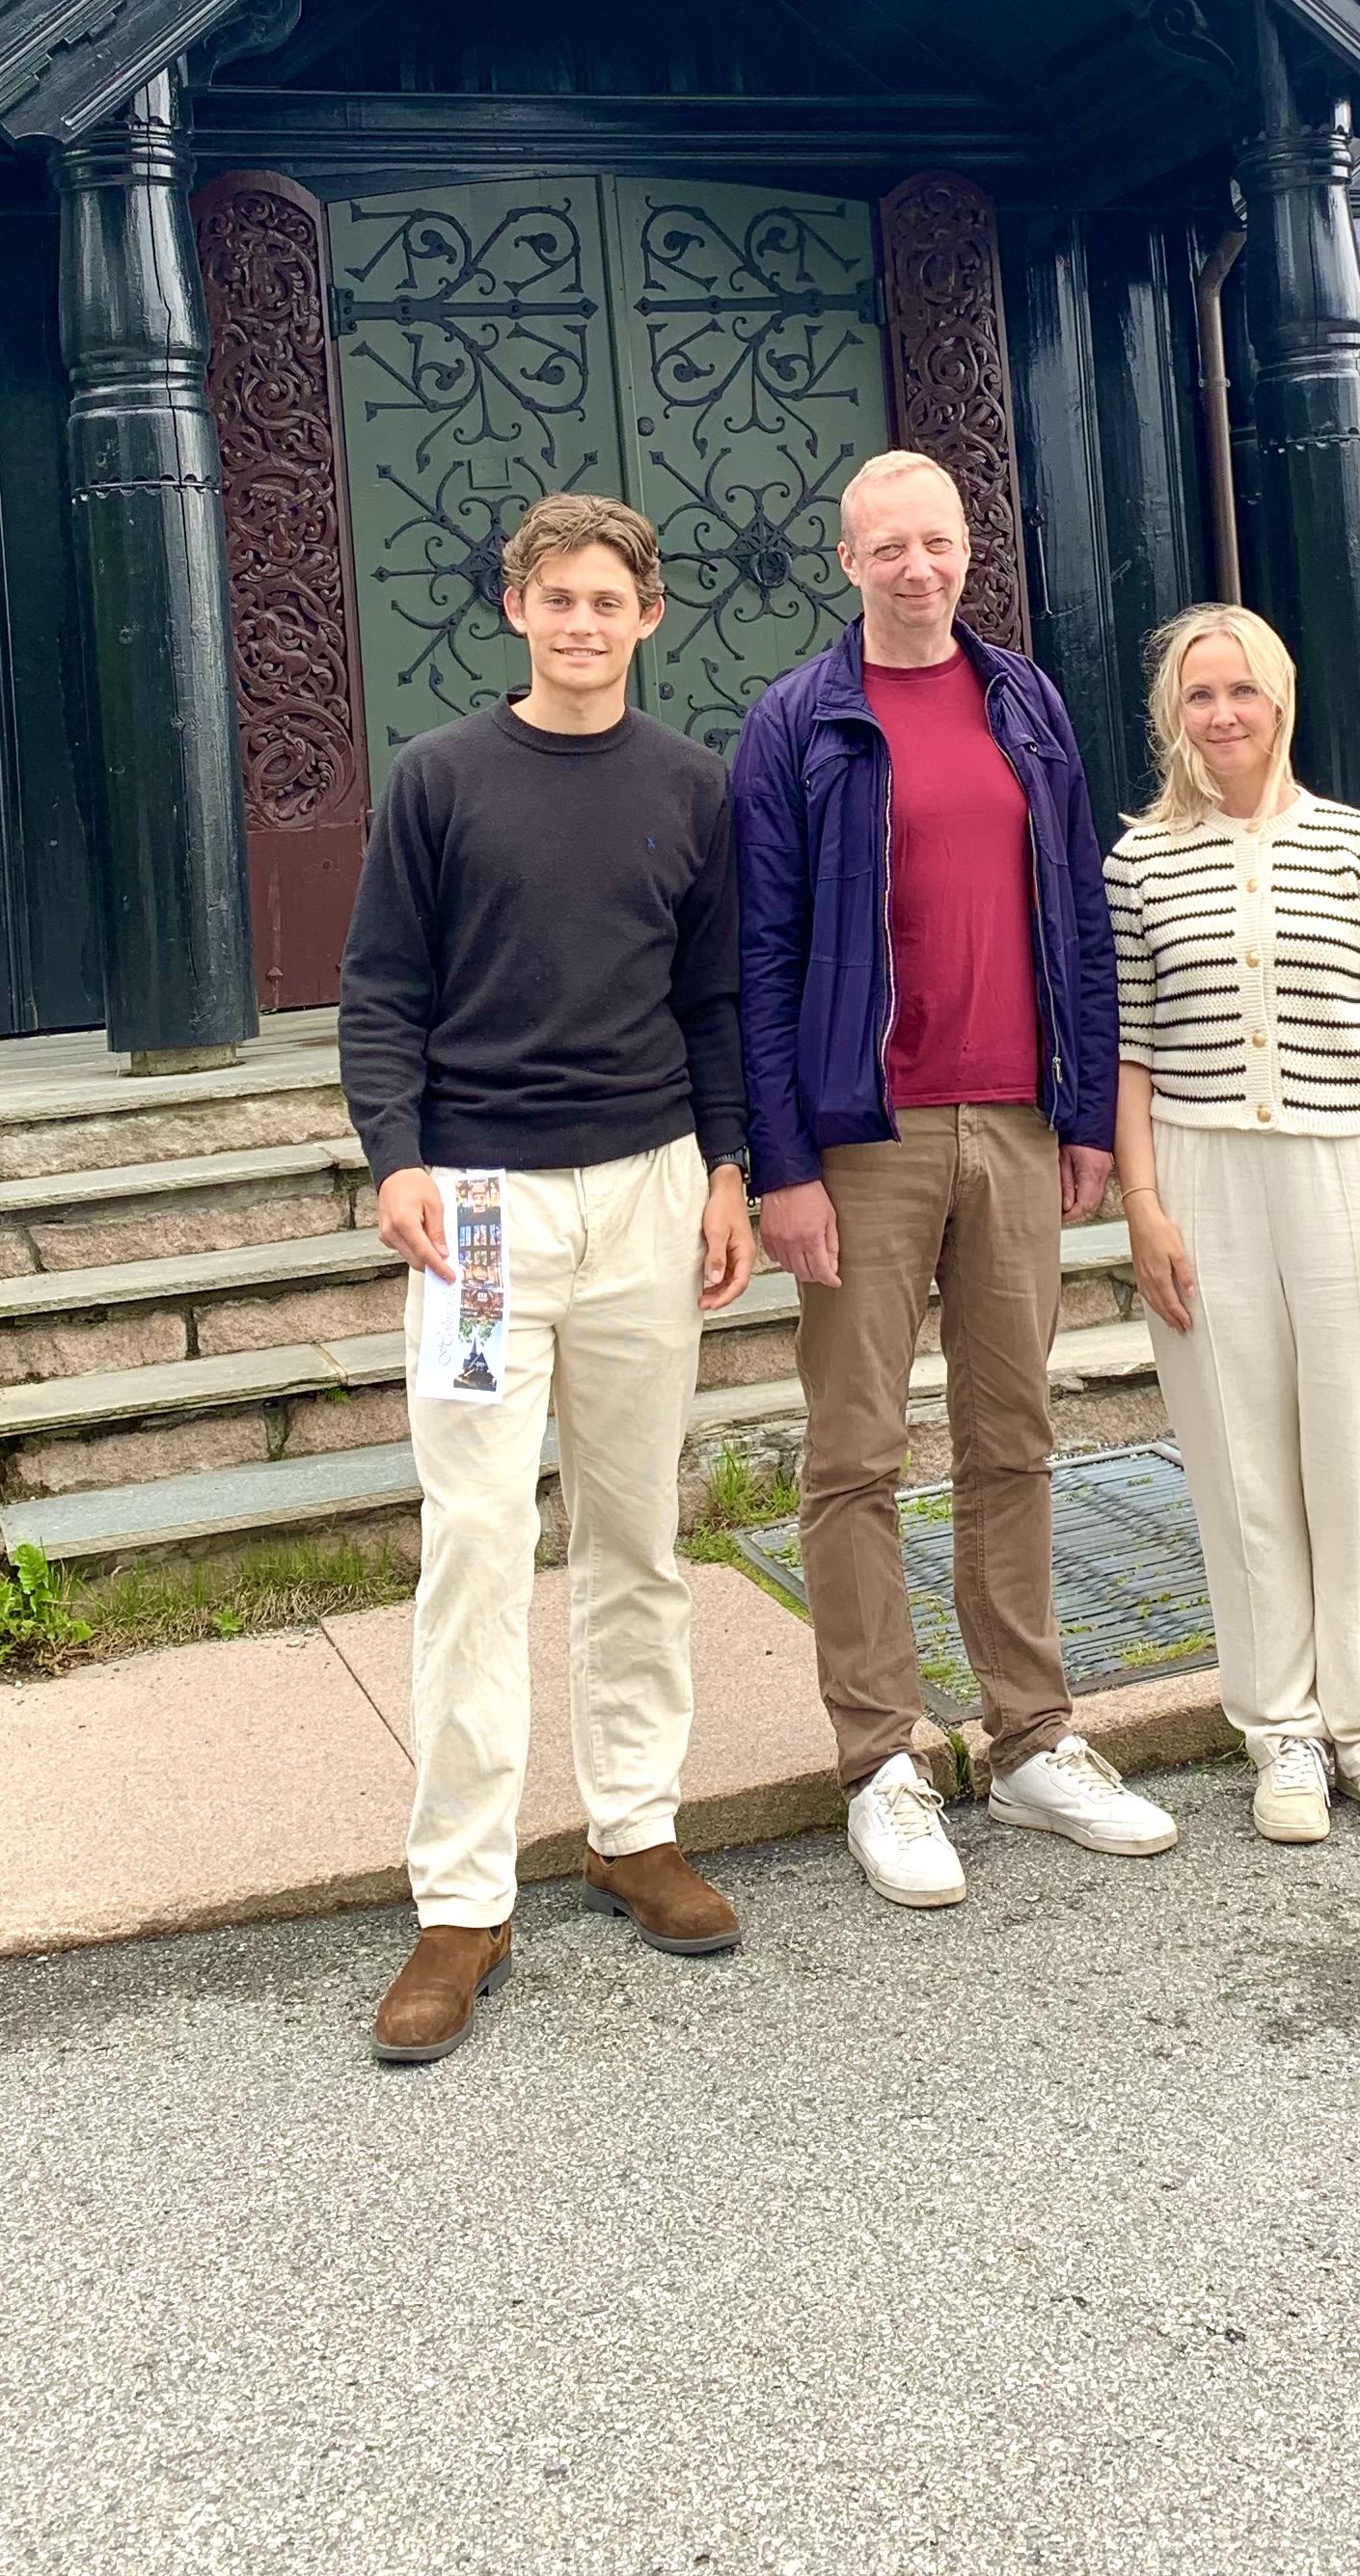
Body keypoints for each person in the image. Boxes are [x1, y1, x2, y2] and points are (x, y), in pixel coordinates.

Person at [340, 492, 758, 2063]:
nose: (581, 624)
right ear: (514, 607)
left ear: (650, 619)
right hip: (486, 1219)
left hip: (649, 1194)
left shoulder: (691, 788)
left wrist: (725, 1170)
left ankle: (633, 1825)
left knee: (638, 1528)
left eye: (608, 601)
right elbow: (381, 986)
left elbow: (714, 997)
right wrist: (397, 1158)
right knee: (473, 1540)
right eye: (554, 598)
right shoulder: (440, 780)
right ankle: (461, 1897)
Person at [731, 450, 1178, 1906]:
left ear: (966, 550)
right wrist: (780, 1163)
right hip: (862, 1135)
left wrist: (1091, 1111)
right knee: (854, 1449)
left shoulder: (1026, 701)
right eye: (887, 547)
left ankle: (1032, 1735)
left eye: (938, 542)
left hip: (1017, 1117)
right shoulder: (798, 723)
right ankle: (878, 1757)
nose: (916, 568)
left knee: (1015, 1434)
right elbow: (760, 954)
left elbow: (1083, 923)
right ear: (845, 560)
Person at [1105, 605, 1360, 1847]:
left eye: (1242, 690)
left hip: (1349, 1168)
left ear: (1282, 697)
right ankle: (1282, 1734)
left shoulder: (1358, 845)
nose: (1224, 714)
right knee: (1239, 1462)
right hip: (1202, 1175)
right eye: (1199, 695)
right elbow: (1131, 1049)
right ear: (1174, 715)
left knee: (1354, 1457)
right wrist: (1143, 1207)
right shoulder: (1138, 861)